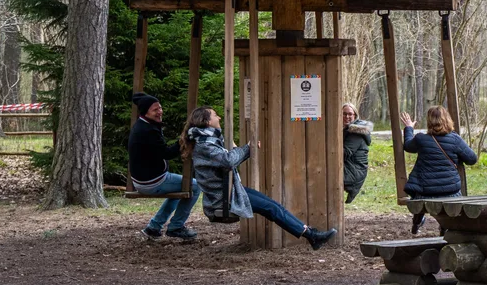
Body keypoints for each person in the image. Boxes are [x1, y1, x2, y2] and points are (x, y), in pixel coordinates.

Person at [181, 106, 337, 249]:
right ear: (207, 121)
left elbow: (229, 159)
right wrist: (247, 148)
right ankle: (312, 236)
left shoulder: (210, 141)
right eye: (215, 115)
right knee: (271, 208)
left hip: (231, 190)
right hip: (223, 198)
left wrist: (246, 150)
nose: (219, 118)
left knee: (273, 205)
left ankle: (310, 234)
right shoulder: (205, 145)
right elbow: (228, 161)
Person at [129, 92, 200, 241]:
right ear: (145, 112)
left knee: (179, 187)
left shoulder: (144, 125)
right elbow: (167, 153)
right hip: (152, 182)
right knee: (194, 186)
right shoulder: (147, 131)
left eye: (160, 108)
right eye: (155, 110)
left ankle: (154, 227)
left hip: (142, 180)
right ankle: (176, 227)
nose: (160, 112)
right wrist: (185, 139)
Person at [400, 105, 477, 234]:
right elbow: (472, 159)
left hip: (425, 190)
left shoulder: (421, 139)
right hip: (450, 191)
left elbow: (408, 146)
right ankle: (445, 226)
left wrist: (409, 128)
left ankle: (417, 220)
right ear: (447, 119)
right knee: (450, 199)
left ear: (429, 121)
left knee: (419, 195)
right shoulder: (455, 139)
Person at [342, 103, 373, 204]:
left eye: (350, 114)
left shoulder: (356, 132)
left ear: (355, 116)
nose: (347, 117)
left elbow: (344, 153)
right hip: (350, 167)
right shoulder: (345, 130)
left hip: (354, 171)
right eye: (344, 114)